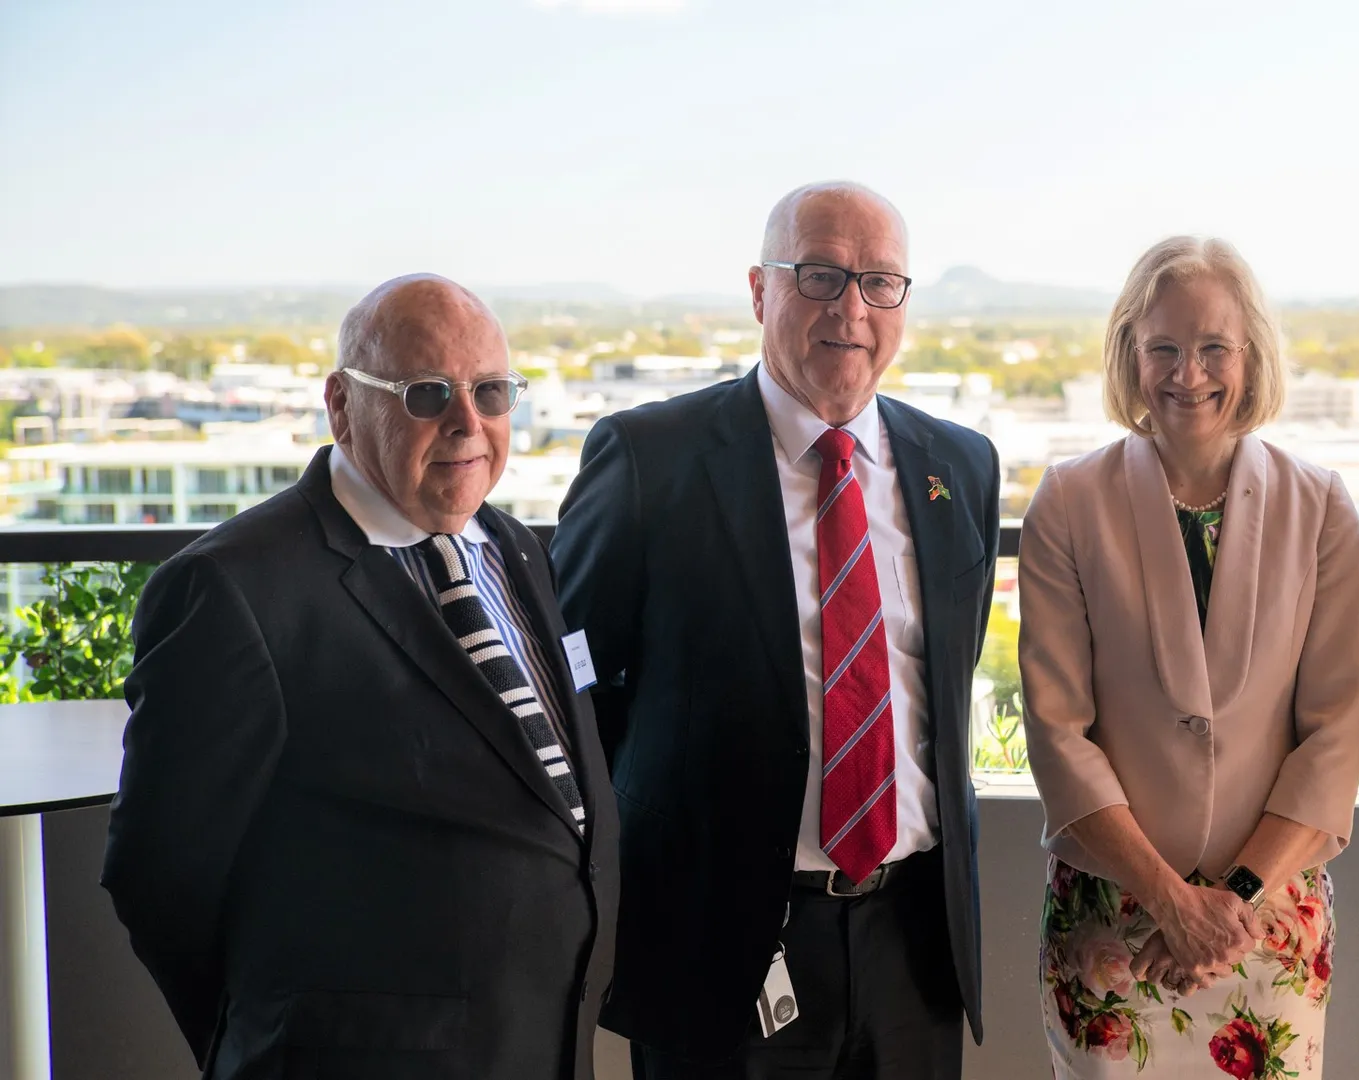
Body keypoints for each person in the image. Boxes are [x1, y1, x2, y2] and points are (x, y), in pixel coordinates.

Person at [102, 274, 620, 1079]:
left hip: (546, 1045)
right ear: (341, 405)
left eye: (490, 391)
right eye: (427, 394)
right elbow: (159, 876)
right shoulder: (234, 588)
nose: (468, 422)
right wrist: (274, 1036)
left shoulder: (515, 547)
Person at [550, 181, 999, 1079]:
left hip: (913, 942)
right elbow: (576, 693)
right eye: (820, 275)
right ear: (760, 291)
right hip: (717, 944)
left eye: (879, 282)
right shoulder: (649, 460)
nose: (851, 309)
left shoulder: (961, 465)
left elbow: (944, 680)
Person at [1018, 236, 1359, 1079]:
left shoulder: (1321, 505)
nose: (1189, 373)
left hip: (1267, 925)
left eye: (1214, 347)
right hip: (1114, 927)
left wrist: (1228, 903)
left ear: (1251, 354)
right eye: (1164, 348)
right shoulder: (1067, 502)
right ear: (1129, 354)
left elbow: (1334, 735)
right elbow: (1058, 734)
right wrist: (1170, 902)